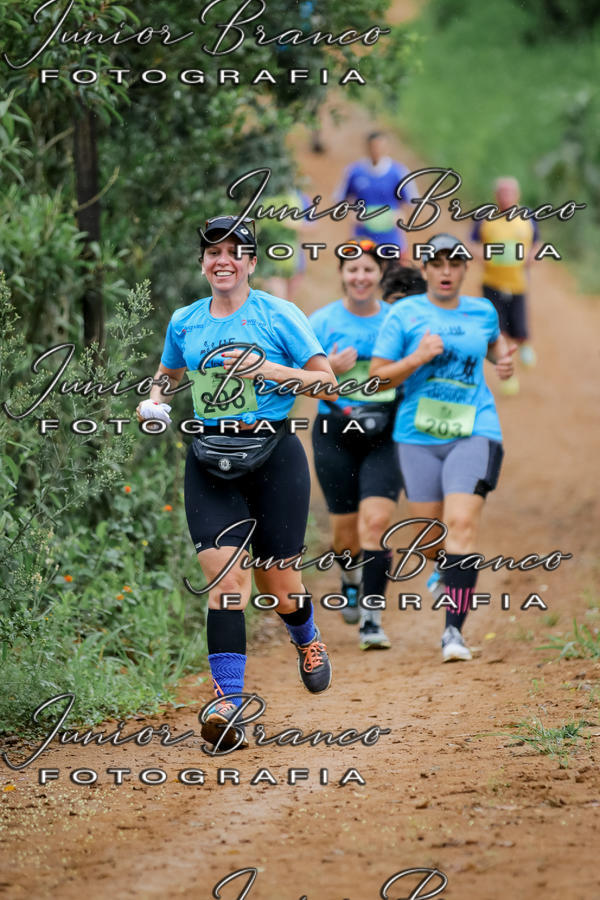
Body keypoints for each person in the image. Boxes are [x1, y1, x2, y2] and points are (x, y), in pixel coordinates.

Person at [136, 215, 337, 750]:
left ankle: (306, 636)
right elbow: (169, 373)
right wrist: (154, 399)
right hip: (209, 460)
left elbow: (325, 379)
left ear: (250, 262)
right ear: (202, 263)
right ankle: (230, 707)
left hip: (274, 457)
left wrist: (266, 370)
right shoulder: (186, 321)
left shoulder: (280, 315)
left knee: (279, 586)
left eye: (233, 252)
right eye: (212, 253)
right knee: (226, 584)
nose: (222, 260)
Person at [370, 234, 516, 662]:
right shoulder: (405, 314)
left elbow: (492, 345)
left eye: (455, 263)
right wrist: (417, 358)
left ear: (465, 269)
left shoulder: (482, 310)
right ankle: (442, 566)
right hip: (417, 436)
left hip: (475, 429)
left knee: (460, 525)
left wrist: (502, 360)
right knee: (430, 534)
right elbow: (378, 378)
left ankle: (453, 631)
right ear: (426, 269)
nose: (447, 271)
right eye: (437, 264)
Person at [309, 239, 402, 650]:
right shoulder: (320, 321)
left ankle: (372, 618)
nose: (360, 277)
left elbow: (416, 371)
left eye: (368, 270)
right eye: (352, 270)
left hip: (386, 433)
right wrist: (329, 369)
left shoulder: (399, 320)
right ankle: (349, 579)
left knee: (376, 525)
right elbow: (294, 378)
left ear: (380, 275)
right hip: (336, 432)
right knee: (345, 537)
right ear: (342, 275)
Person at [470, 177, 540, 395]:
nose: (506, 196)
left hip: (518, 285)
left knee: (518, 329)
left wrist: (533, 256)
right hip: (492, 284)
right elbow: (471, 242)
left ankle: (524, 343)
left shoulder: (527, 219)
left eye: (510, 192)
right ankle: (508, 377)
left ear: (517, 195)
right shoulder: (485, 218)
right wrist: (478, 253)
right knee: (500, 332)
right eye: (502, 192)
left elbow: (538, 243)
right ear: (496, 195)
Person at [335, 132, 415, 257]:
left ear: (387, 148)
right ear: (367, 147)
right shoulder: (354, 171)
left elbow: (410, 201)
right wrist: (351, 212)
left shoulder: (398, 172)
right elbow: (341, 198)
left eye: (381, 146)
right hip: (362, 236)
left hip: (391, 237)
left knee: (394, 274)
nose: (377, 150)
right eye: (374, 146)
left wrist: (401, 215)